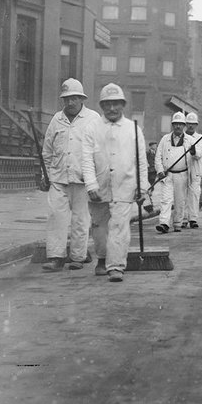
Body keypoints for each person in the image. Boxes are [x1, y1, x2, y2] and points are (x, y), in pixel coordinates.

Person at [81, 83, 148, 282]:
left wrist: (142, 187)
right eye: (107, 104)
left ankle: (116, 266)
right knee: (100, 227)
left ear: (123, 105)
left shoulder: (133, 129)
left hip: (125, 186)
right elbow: (86, 159)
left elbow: (141, 161)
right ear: (101, 105)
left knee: (120, 226)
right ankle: (102, 258)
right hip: (99, 186)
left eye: (116, 104)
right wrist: (91, 185)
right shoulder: (92, 128)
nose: (112, 109)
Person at [40, 78, 100, 272]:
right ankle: (56, 257)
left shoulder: (93, 119)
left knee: (81, 220)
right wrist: (46, 173)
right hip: (58, 177)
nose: (70, 102)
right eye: (66, 99)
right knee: (56, 218)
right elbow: (47, 150)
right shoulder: (56, 119)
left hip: (83, 179)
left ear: (82, 99)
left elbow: (100, 151)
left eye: (74, 98)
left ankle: (78, 257)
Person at [155, 111, 193, 233]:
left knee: (180, 200)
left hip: (182, 174)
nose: (178, 126)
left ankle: (178, 222)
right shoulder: (165, 139)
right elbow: (158, 156)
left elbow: (197, 155)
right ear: (172, 125)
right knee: (166, 199)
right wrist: (160, 170)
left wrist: (194, 151)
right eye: (175, 124)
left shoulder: (190, 140)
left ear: (184, 126)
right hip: (168, 174)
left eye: (180, 124)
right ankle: (164, 223)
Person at [181, 111, 202, 228]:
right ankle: (183, 218)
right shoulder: (181, 137)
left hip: (195, 171)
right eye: (188, 123)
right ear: (185, 124)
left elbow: (198, 154)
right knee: (182, 195)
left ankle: (193, 219)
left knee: (194, 194)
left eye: (193, 124)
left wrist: (193, 150)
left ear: (196, 125)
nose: (190, 126)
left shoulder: (200, 138)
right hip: (183, 169)